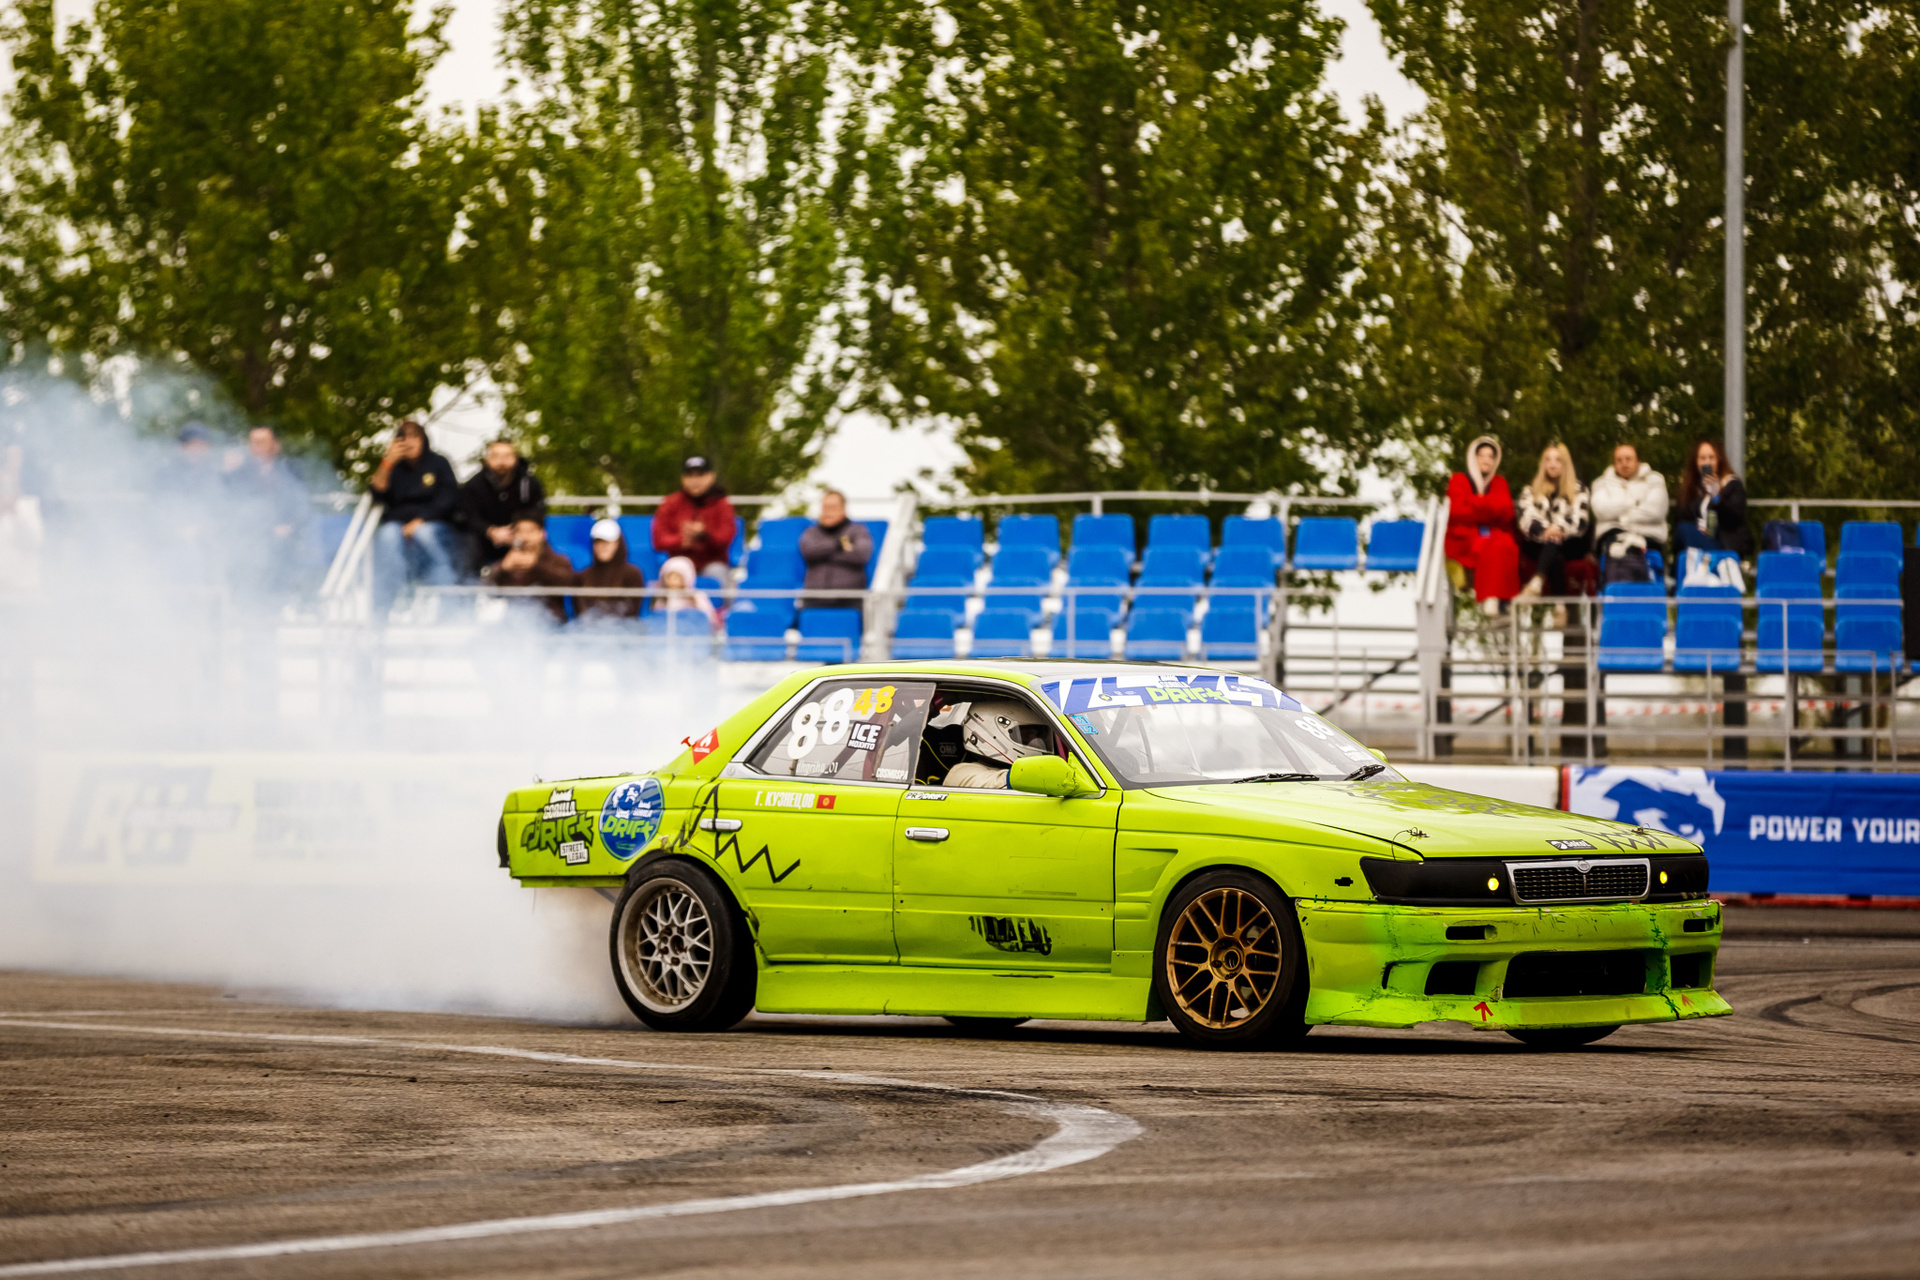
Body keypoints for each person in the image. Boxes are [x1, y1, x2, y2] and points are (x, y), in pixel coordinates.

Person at [368, 419, 463, 615]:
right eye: (403, 437)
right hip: (398, 528)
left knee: (425, 533)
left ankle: (450, 608)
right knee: (387, 535)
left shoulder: (439, 463)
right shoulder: (393, 467)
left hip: (435, 526)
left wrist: (420, 521)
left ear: (423, 440)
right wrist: (387, 462)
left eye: (414, 437)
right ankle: (383, 607)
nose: (409, 442)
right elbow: (377, 492)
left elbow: (449, 499)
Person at [222, 425, 312, 597]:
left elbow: (302, 507)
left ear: (275, 445)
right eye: (254, 442)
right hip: (248, 544)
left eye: (262, 442)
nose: (257, 447)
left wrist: (291, 526)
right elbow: (228, 510)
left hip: (285, 545)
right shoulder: (237, 476)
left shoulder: (290, 473)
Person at [1444, 435, 1521, 614]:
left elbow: (1507, 512)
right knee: (1494, 544)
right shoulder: (1458, 480)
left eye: (1491, 456)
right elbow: (1457, 512)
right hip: (1464, 539)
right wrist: (1490, 507)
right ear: (1474, 457)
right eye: (1482, 455)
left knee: (1505, 545)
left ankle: (1500, 602)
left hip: (1494, 537)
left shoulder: (1499, 482)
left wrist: (1474, 503)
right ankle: (1493, 598)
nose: (1486, 460)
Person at [1514, 443, 1592, 601]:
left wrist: (1560, 528)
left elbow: (1580, 520)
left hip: (1569, 542)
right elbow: (1525, 517)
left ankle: (1537, 581)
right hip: (1538, 542)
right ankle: (1560, 606)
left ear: (1565, 464)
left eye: (1557, 460)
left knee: (1555, 543)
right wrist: (1545, 530)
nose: (1552, 464)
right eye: (1548, 460)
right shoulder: (1530, 490)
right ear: (1543, 464)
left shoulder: (1579, 489)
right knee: (1553, 548)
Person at [458, 439, 546, 573]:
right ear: (487, 459)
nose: (502, 462)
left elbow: (537, 513)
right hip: (482, 539)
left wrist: (518, 532)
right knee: (467, 543)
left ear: (516, 458)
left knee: (536, 539)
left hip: (520, 535)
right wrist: (490, 531)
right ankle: (471, 582)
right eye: (496, 456)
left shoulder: (530, 484)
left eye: (507, 456)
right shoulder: (472, 486)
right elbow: (468, 516)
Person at [482, 514, 577, 623]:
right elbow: (488, 591)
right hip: (513, 622)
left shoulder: (558, 560)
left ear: (542, 533)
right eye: (519, 531)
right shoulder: (510, 560)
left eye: (530, 531)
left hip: (551, 623)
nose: (525, 537)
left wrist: (537, 565)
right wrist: (502, 569)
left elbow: (570, 583)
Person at [652, 455, 736, 577]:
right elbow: (658, 540)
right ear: (682, 478)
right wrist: (682, 540)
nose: (695, 480)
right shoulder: (670, 503)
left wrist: (705, 535)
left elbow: (726, 538)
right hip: (679, 563)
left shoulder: (722, 504)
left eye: (700, 475)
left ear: (711, 476)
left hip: (712, 563)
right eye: (690, 475)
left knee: (717, 572)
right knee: (673, 574)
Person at [941, 699, 1054, 789]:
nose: (1036, 742)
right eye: (1026, 735)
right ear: (989, 732)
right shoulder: (961, 773)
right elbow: (1000, 783)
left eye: (1039, 735)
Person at [1589, 442, 1670, 566]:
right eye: (1619, 460)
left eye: (1628, 459)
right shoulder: (1601, 483)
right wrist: (1636, 502)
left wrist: (1622, 517)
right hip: (1613, 537)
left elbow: (1655, 511)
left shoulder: (1655, 480)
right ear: (1614, 463)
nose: (1624, 463)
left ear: (1638, 461)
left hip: (1649, 539)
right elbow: (1601, 510)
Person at [1674, 438, 1751, 558]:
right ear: (1696, 462)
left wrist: (1716, 496)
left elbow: (1736, 517)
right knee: (1682, 530)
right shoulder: (1692, 490)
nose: (1707, 462)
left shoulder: (1732, 484)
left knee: (1684, 530)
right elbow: (1683, 517)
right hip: (1698, 539)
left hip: (1724, 544)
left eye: (1711, 458)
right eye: (1702, 458)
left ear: (1719, 460)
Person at [798, 489, 872, 610]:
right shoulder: (810, 532)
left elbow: (861, 555)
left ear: (843, 508)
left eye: (832, 507)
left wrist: (822, 553)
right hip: (814, 600)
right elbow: (809, 552)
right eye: (825, 507)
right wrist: (839, 545)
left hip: (850, 601)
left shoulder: (859, 530)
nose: (828, 511)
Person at [575, 518, 646, 623]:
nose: (602, 547)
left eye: (607, 542)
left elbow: (632, 613)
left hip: (623, 629)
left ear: (618, 544)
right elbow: (580, 614)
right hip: (590, 629)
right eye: (598, 542)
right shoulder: (583, 576)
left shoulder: (633, 574)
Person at [651, 554, 719, 627]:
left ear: (686, 578)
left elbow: (707, 617)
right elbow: (657, 620)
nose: (672, 581)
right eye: (669, 577)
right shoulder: (662, 599)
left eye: (677, 577)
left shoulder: (697, 597)